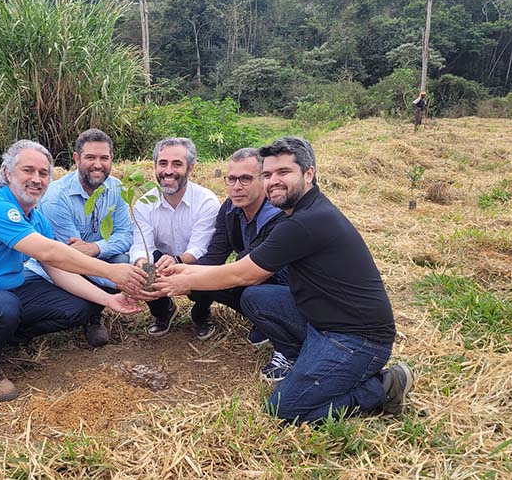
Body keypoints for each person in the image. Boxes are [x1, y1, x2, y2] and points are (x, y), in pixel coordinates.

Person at [155, 136, 414, 423]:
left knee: (284, 410)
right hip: (321, 320)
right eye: (268, 174)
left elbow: (243, 272)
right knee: (255, 298)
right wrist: (180, 269)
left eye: (283, 173)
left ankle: (383, 386)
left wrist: (183, 280)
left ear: (309, 173)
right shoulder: (298, 213)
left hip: (356, 338)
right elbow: (229, 267)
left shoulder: (306, 221)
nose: (273, 181)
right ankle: (299, 357)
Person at [0, 140, 145, 401]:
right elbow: (50, 252)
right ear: (8, 173)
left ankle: (5, 336)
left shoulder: (36, 219)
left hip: (5, 292)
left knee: (79, 307)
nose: (36, 179)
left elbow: (58, 269)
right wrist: (112, 273)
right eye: (27, 171)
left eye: (43, 173)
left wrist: (109, 299)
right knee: (1, 306)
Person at [25, 128, 133, 346]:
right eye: (90, 157)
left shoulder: (118, 188)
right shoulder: (56, 197)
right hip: (59, 269)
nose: (98, 164)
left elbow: (126, 235)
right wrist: (124, 281)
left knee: (122, 260)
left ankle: (94, 314)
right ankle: (90, 309)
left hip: (96, 259)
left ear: (112, 159)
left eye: (104, 158)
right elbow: (72, 258)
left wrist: (96, 248)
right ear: (76, 159)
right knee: (76, 304)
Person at [187, 148, 290, 349]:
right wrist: (180, 270)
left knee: (237, 284)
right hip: (250, 275)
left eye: (245, 179)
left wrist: (186, 277)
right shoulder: (229, 209)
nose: (236, 187)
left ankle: (276, 325)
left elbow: (246, 269)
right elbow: (215, 254)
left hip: (283, 285)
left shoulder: (279, 216)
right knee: (199, 282)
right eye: (231, 179)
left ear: (263, 180)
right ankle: (208, 313)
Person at [129, 137, 220, 337]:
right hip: (159, 259)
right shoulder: (144, 203)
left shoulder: (207, 201)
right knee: (143, 270)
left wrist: (177, 261)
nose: (168, 171)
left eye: (177, 164)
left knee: (210, 267)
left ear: (190, 168)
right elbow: (140, 244)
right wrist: (142, 264)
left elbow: (199, 248)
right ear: (154, 166)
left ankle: (201, 313)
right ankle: (163, 312)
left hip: (192, 262)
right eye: (163, 163)